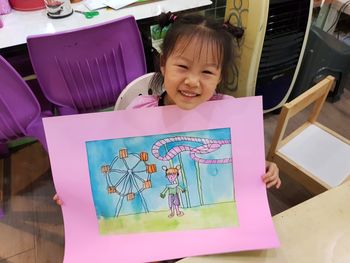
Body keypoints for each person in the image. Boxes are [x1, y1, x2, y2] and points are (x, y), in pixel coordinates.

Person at [53, 12, 281, 206]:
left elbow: (240, 162)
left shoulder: (231, 114)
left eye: (207, 72)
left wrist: (264, 167)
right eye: (182, 67)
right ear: (163, 63)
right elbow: (113, 161)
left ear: (220, 75)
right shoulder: (138, 113)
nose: (193, 81)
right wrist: (79, 190)